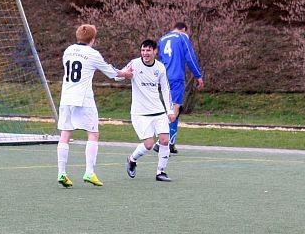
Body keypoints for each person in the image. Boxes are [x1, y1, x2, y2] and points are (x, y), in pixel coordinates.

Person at [56, 23, 132, 188]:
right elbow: (111, 72)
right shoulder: (93, 54)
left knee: (65, 134)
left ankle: (61, 172)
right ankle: (89, 172)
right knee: (93, 134)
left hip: (66, 97)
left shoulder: (68, 50)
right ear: (93, 39)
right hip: (83, 99)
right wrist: (125, 74)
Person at [123, 39, 176, 182]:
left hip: (158, 111)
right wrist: (125, 74)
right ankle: (132, 159)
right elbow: (117, 76)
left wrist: (170, 110)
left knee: (165, 140)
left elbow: (165, 89)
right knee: (149, 145)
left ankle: (161, 172)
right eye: (143, 50)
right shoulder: (134, 64)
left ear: (155, 51)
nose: (145, 53)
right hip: (140, 113)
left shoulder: (160, 67)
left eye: (148, 50)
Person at [157, 22, 204, 154]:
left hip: (164, 77)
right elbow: (190, 57)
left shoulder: (162, 39)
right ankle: (161, 142)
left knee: (171, 109)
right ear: (183, 29)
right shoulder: (182, 37)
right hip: (176, 77)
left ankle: (171, 143)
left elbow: (160, 59)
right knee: (175, 108)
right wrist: (198, 75)